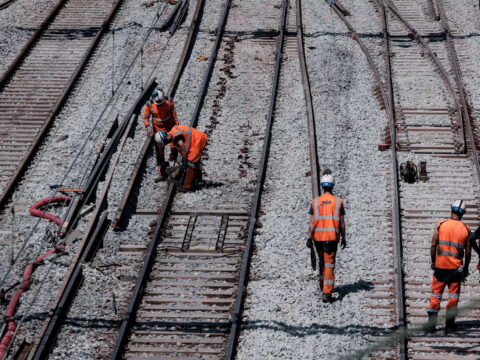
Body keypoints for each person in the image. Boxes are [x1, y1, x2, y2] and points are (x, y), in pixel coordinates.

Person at [424, 200, 471, 333]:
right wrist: (466, 268)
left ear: (451, 209)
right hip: (456, 269)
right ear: (463, 213)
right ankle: (449, 326)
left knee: (436, 295)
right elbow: (468, 252)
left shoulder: (441, 224)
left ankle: (431, 325)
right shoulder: (466, 229)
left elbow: (433, 245)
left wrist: (433, 261)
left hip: (440, 267)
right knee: (453, 297)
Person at [307, 172, 346, 303]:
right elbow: (342, 223)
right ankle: (327, 292)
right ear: (332, 186)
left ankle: (322, 283)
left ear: (322, 186)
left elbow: (312, 222)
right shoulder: (338, 202)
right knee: (329, 265)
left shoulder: (315, 202)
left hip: (317, 238)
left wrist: (308, 238)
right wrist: (344, 237)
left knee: (322, 261)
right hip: (331, 238)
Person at [154, 124, 207, 191]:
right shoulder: (172, 135)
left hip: (197, 141)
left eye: (165, 142)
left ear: (166, 137)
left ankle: (188, 186)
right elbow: (173, 153)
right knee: (193, 163)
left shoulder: (176, 136)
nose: (167, 143)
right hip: (195, 140)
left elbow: (183, 148)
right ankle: (198, 179)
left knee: (190, 164)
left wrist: (184, 162)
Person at [142, 87, 179, 182]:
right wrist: (148, 126)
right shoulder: (149, 105)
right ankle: (162, 173)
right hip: (158, 131)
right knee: (159, 152)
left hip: (170, 129)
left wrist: (176, 128)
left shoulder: (169, 101)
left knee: (174, 148)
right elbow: (145, 117)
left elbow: (174, 116)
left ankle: (174, 170)